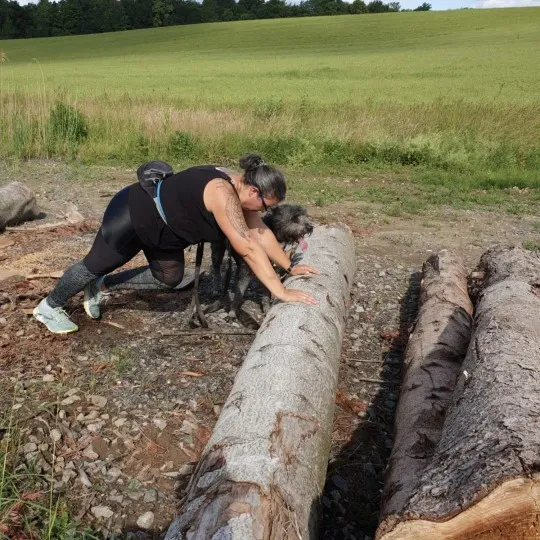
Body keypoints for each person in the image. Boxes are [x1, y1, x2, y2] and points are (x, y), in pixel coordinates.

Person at [33, 153, 319, 334]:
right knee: (94, 264)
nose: (264, 213)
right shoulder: (223, 193)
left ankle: (101, 284)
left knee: (169, 277)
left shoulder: (242, 192)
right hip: (133, 214)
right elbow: (246, 246)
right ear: (254, 190)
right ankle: (49, 306)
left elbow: (261, 234)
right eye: (266, 206)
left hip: (166, 231)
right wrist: (280, 292)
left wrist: (289, 268)